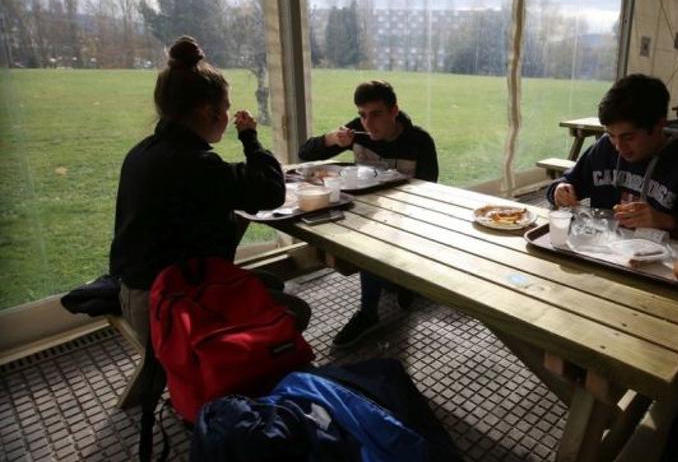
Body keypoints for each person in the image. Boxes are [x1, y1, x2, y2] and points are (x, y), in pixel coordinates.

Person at [109, 36, 310, 347]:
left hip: (134, 290)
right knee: (294, 312)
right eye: (225, 108)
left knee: (268, 283)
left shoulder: (143, 152)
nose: (228, 115)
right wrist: (251, 138)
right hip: (165, 307)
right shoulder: (195, 165)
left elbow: (212, 186)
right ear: (206, 112)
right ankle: (224, 385)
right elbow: (271, 191)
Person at [299, 80, 439, 347]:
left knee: (375, 240)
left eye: (376, 114)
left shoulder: (419, 141)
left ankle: (375, 305)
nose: (368, 123)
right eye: (363, 115)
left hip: (406, 219)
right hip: (363, 214)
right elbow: (304, 152)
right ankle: (388, 289)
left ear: (394, 111)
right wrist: (332, 139)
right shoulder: (356, 132)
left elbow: (428, 192)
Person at [546, 74, 678, 244]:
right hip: (606, 250)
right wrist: (559, 190)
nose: (619, 147)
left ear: (659, 125)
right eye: (611, 135)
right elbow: (568, 181)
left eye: (629, 137)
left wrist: (666, 221)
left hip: (663, 263)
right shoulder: (604, 147)